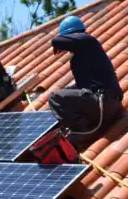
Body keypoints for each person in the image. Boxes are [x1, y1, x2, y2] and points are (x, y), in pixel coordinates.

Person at [48, 16, 123, 147]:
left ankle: (85, 130)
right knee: (66, 92)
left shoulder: (88, 40)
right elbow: (82, 86)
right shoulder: (83, 53)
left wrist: (61, 41)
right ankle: (84, 125)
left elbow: (56, 40)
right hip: (106, 102)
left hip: (103, 102)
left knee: (54, 98)